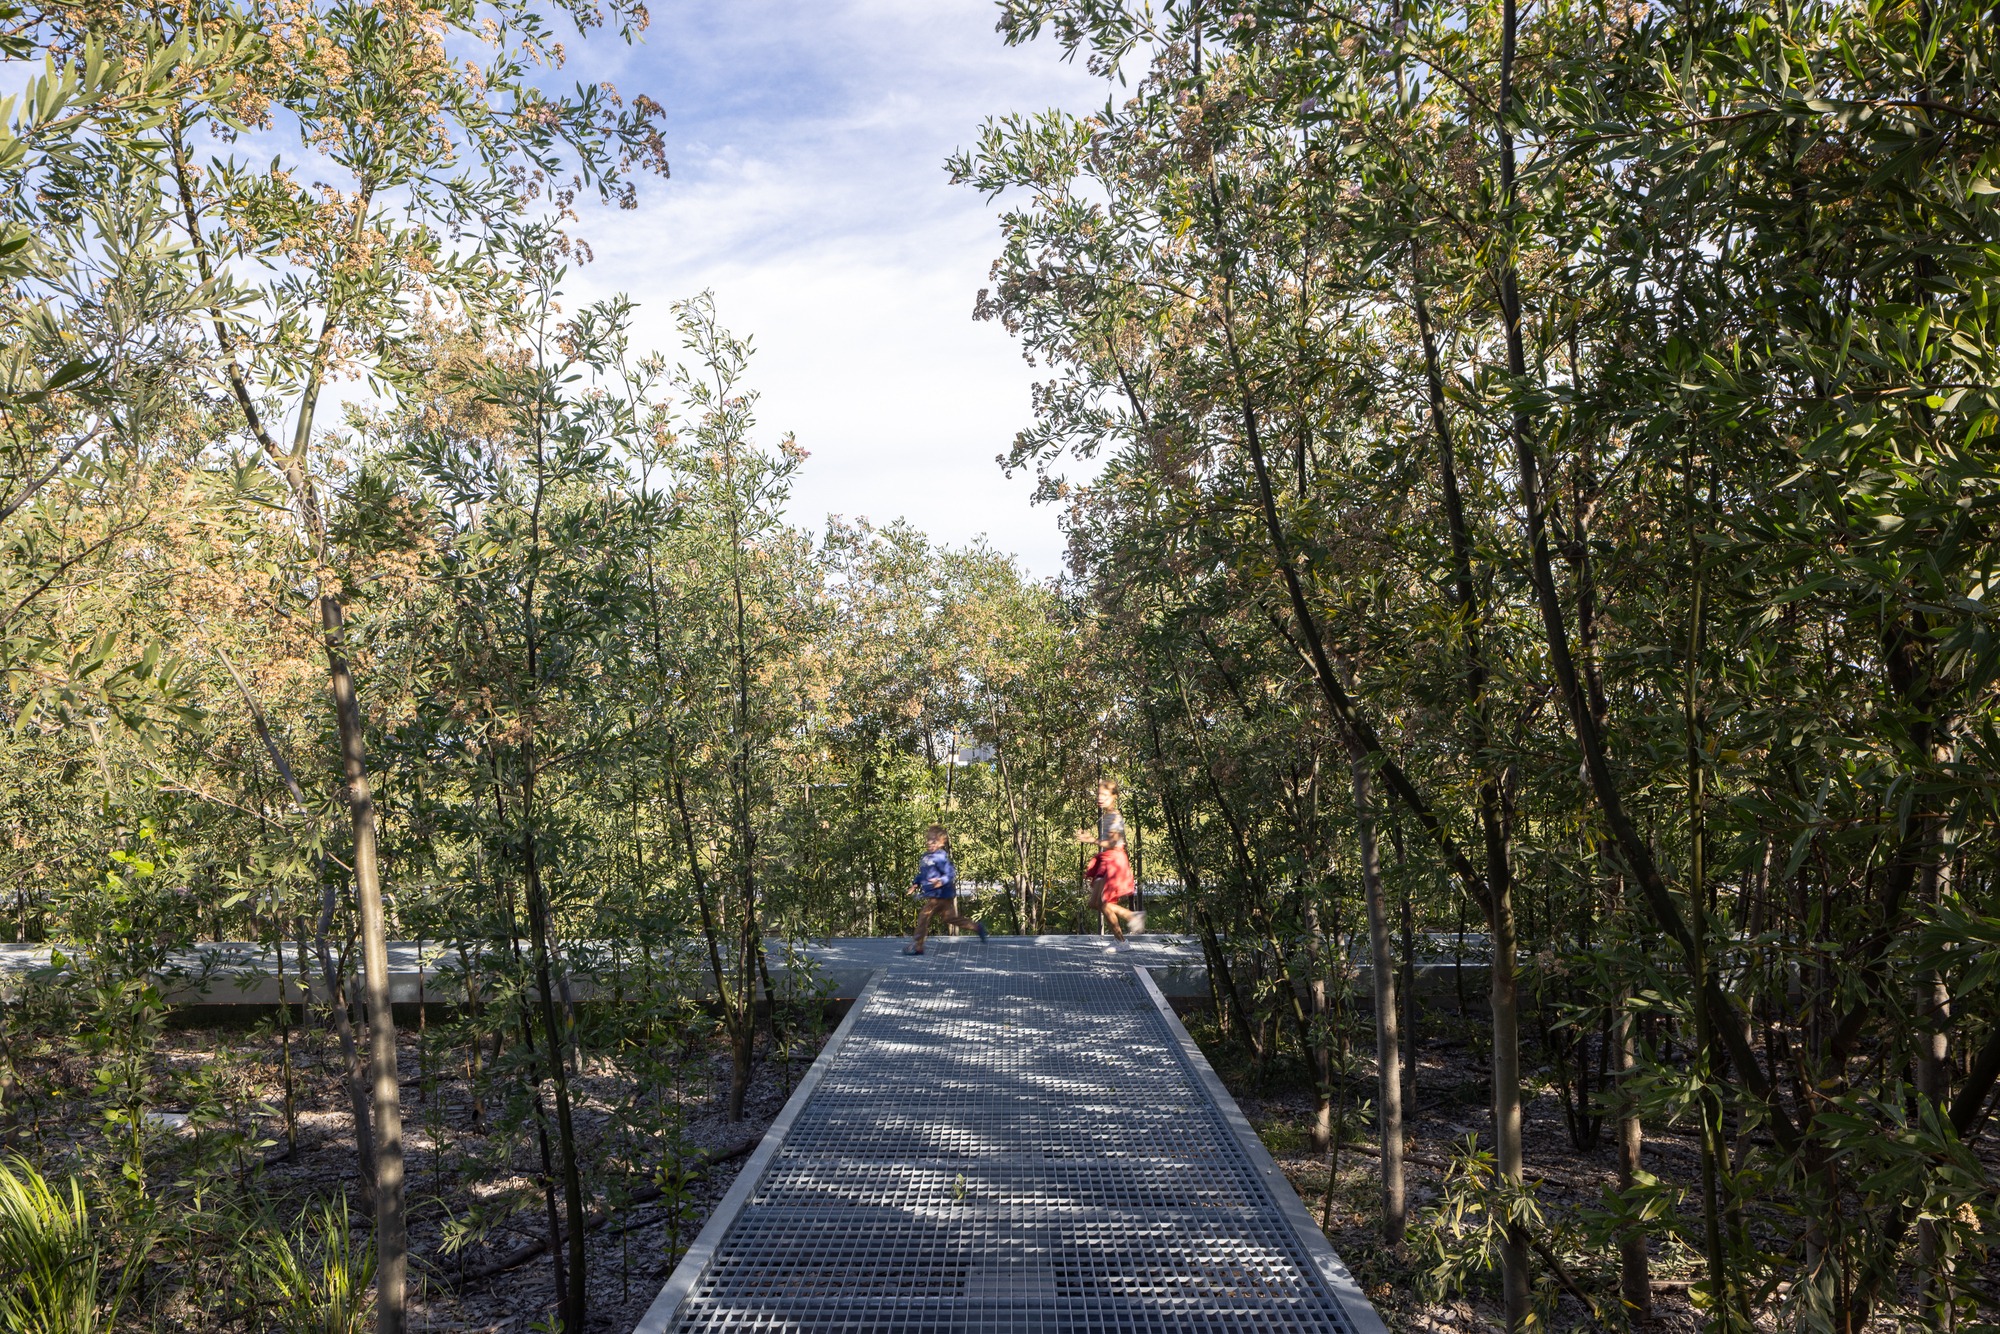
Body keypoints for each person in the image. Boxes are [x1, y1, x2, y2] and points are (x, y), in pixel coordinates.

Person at [905, 824, 986, 955]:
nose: (930, 843)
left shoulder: (940, 857)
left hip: (941, 895)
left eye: (934, 841)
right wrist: (915, 884)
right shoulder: (926, 857)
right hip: (936, 896)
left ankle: (918, 946)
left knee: (923, 917)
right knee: (951, 918)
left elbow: (950, 874)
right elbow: (923, 874)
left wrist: (940, 881)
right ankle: (976, 927)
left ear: (941, 843)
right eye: (929, 839)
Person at [1085, 825, 1140, 947]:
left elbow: (1116, 843)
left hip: (1112, 863)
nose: (1100, 804)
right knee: (1095, 904)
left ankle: (1121, 941)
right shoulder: (1107, 816)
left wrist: (1093, 840)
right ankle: (1128, 921)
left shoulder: (1114, 816)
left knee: (1103, 904)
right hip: (1106, 862)